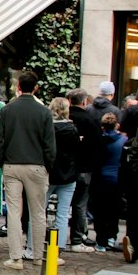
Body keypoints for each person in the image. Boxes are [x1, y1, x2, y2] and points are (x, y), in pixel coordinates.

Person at [0, 70, 55, 269]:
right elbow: (50, 145)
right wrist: (47, 166)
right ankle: (37, 255)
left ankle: (16, 256)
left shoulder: (7, 110)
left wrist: (3, 162)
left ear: (18, 87)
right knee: (38, 212)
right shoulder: (44, 112)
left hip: (12, 165)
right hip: (36, 165)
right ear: (35, 88)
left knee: (14, 212)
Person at [67, 89, 103, 250]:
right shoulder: (90, 120)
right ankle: (77, 238)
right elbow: (97, 146)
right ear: (84, 102)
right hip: (84, 169)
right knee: (80, 205)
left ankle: (54, 238)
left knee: (57, 205)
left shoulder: (64, 117)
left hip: (64, 168)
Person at [46, 97, 80, 252]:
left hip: (49, 172)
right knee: (63, 212)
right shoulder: (72, 129)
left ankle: (35, 243)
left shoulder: (48, 128)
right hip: (68, 173)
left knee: (39, 211)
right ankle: (59, 244)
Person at [92, 113, 125, 251]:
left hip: (99, 179)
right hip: (116, 179)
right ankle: (112, 237)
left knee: (99, 211)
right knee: (113, 210)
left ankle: (101, 241)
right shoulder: (123, 140)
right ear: (116, 124)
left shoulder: (98, 140)